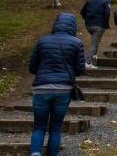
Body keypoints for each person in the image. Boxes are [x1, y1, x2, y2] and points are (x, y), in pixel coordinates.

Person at [28, 12, 85, 156]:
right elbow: (80, 69)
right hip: (63, 89)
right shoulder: (77, 43)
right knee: (56, 126)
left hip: (41, 88)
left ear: (56, 24)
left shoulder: (42, 41)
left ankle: (35, 153)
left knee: (39, 126)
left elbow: (32, 67)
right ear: (73, 26)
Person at [80, 0, 110, 69]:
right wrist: (106, 25)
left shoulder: (90, 1)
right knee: (94, 44)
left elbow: (82, 12)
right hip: (99, 26)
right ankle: (88, 62)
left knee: (95, 42)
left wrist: (87, 19)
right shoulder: (105, 1)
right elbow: (107, 14)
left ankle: (93, 62)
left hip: (89, 25)